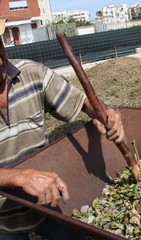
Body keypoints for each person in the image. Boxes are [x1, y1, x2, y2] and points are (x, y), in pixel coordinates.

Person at [0, 19, 125, 240]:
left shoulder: (31, 74)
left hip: (49, 201)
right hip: (4, 219)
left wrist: (106, 115)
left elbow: (86, 104)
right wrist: (17, 176)